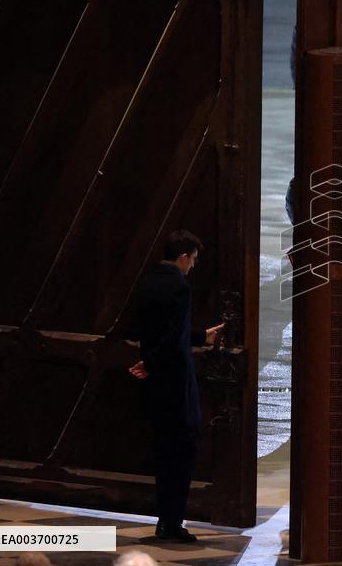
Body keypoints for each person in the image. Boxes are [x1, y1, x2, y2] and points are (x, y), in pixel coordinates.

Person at [128, 230, 223, 543]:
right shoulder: (180, 286)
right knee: (184, 450)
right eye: (193, 260)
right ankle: (172, 523)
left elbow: (158, 331)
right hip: (176, 383)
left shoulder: (148, 282)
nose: (192, 266)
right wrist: (153, 362)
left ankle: (164, 520)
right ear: (183, 256)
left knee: (164, 452)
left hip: (156, 383)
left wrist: (198, 337)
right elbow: (172, 339)